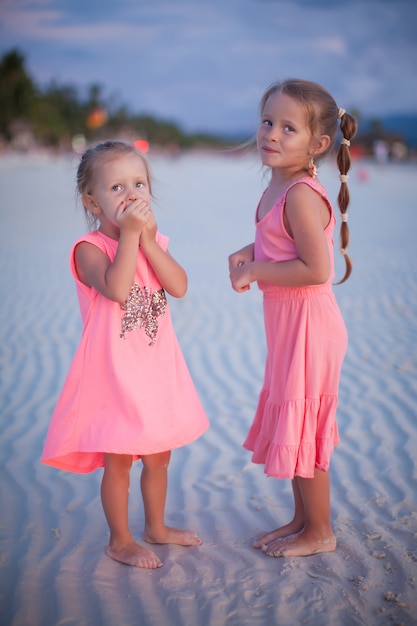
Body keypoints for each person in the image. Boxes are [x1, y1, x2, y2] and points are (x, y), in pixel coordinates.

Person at [42, 140, 209, 569]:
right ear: (92, 201)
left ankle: (156, 526)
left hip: (155, 367)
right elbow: (117, 289)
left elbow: (179, 285)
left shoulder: (155, 240)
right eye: (116, 188)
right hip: (114, 372)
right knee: (118, 460)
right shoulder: (89, 249)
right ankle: (120, 539)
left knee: (159, 455)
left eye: (138, 183)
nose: (131, 194)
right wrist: (133, 235)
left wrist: (149, 240)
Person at [228, 79, 357, 558]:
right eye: (267, 122)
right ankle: (302, 519)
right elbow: (278, 240)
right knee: (293, 415)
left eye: (288, 127)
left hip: (310, 325)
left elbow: (316, 268)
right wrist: (248, 253)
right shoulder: (278, 185)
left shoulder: (302, 193)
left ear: (318, 145)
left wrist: (258, 269)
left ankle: (320, 530)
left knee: (305, 423)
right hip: (289, 326)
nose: (271, 134)